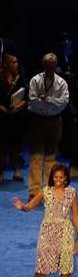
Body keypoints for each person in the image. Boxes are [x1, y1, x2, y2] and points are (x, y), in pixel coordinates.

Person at [12, 164, 78, 277]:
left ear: (65, 179)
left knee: (66, 271)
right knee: (40, 272)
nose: (58, 180)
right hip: (47, 234)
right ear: (52, 177)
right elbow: (29, 206)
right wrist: (22, 207)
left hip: (65, 233)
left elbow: (76, 216)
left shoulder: (72, 193)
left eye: (61, 177)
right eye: (55, 177)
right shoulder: (45, 191)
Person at [27, 53, 69, 199]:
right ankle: (34, 192)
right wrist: (50, 102)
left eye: (53, 65)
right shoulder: (35, 80)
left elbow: (63, 102)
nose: (50, 68)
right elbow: (32, 100)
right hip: (37, 120)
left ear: (56, 65)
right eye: (47, 65)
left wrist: (48, 99)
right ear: (43, 65)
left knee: (51, 157)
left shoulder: (62, 83)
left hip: (55, 120)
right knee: (36, 156)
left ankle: (49, 191)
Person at [0, 53, 27, 182]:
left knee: (15, 145)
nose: (17, 64)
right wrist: (3, 109)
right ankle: (1, 172)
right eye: (14, 62)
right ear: (7, 64)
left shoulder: (20, 77)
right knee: (2, 146)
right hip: (2, 116)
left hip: (16, 116)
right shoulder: (0, 78)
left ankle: (17, 171)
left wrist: (18, 106)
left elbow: (26, 96)